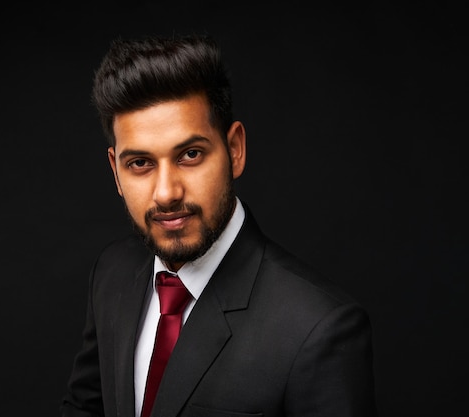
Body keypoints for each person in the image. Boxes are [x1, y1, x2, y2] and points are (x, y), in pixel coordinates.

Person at [61, 33, 377, 417]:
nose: (165, 193)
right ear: (115, 171)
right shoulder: (112, 273)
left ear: (235, 150)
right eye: (140, 163)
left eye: (190, 154)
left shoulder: (318, 329)